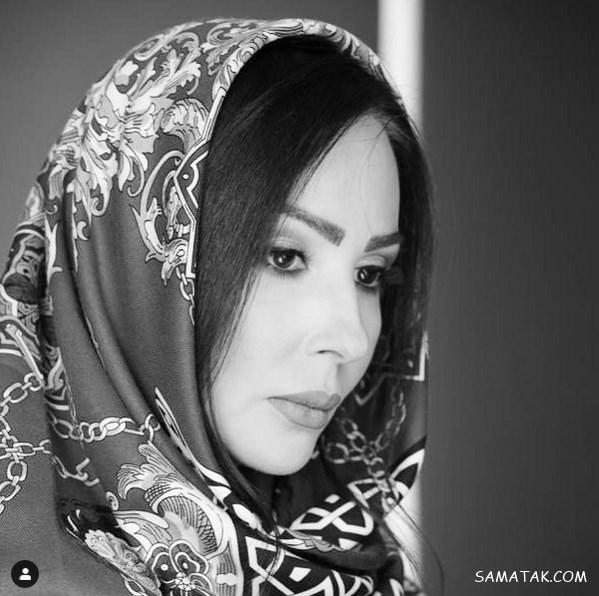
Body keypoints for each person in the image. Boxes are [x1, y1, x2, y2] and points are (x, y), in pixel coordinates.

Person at [0, 18, 432, 596]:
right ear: (134, 259)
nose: (351, 339)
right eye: (284, 256)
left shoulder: (361, 568)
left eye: (369, 274)